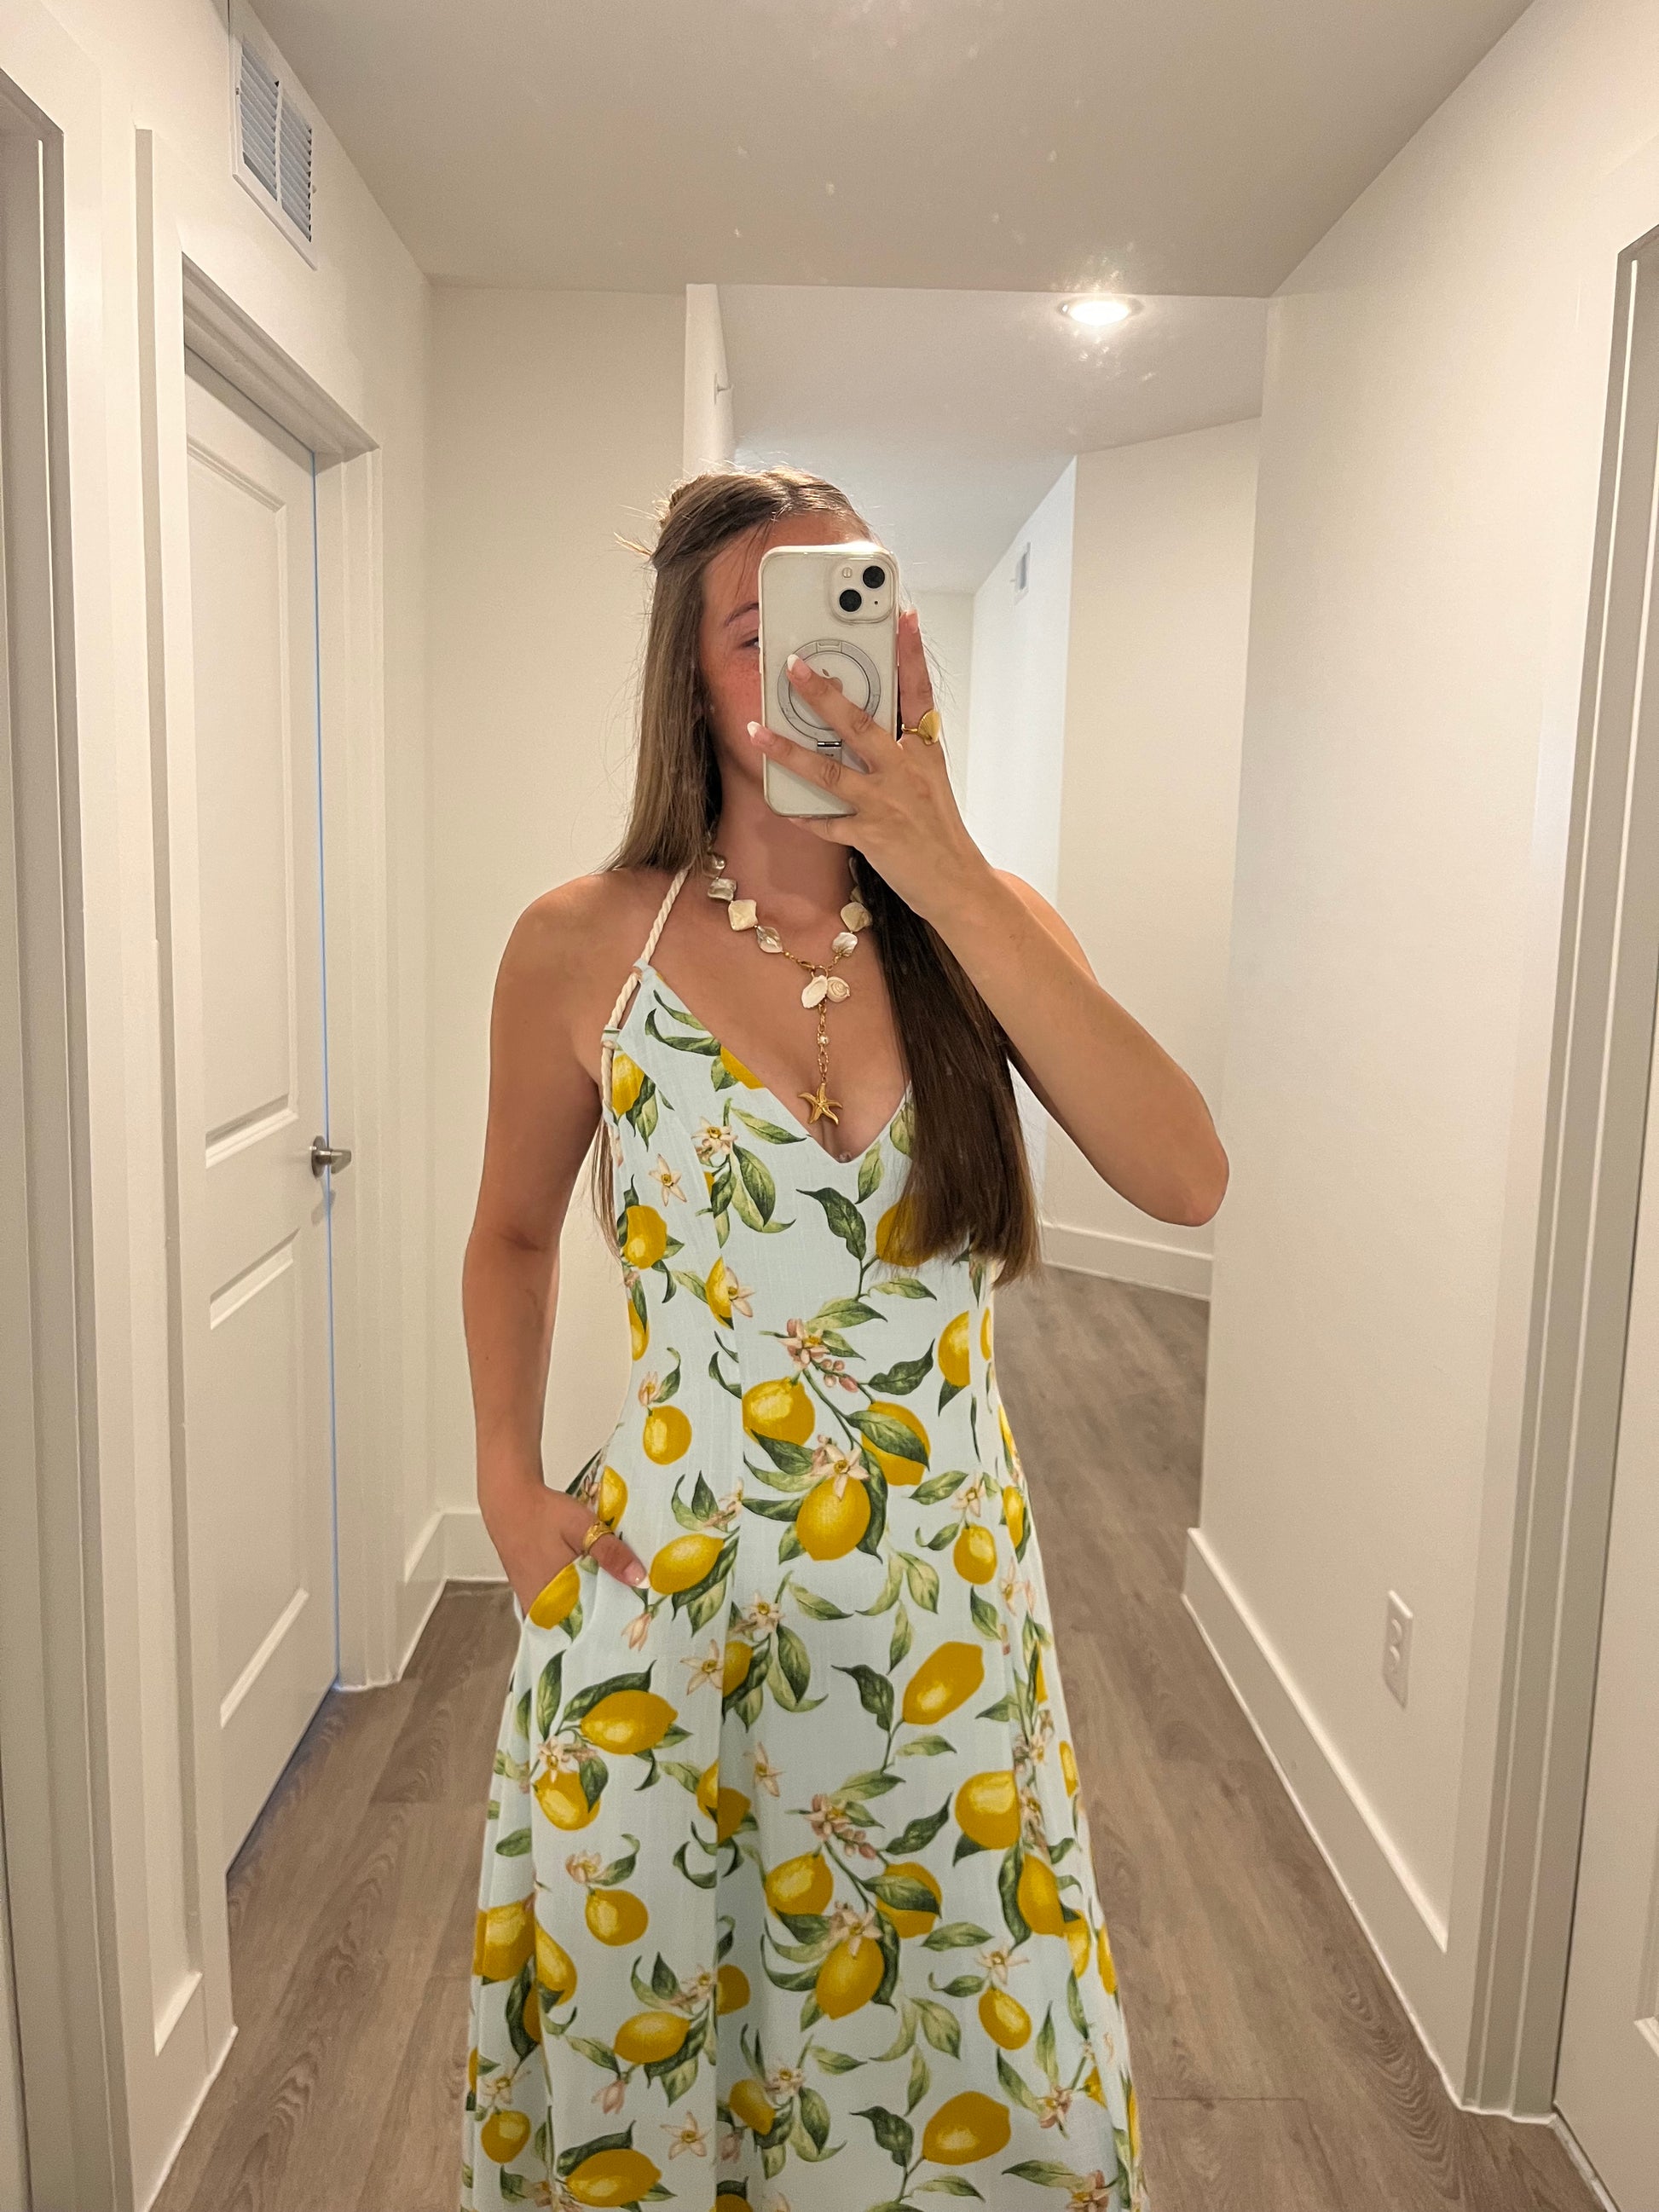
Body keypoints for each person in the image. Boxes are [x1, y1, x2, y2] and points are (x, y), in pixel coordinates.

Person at [459, 465, 1226, 2212]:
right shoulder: (581, 944)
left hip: (944, 1607)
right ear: (693, 683)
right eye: (763, 629)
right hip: (667, 1611)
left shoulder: (984, 925)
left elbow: (1184, 1174)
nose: (817, 661)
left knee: (964, 2065)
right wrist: (504, 1475)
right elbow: (508, 1232)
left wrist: (947, 872)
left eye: (853, 609)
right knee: (669, 2061)